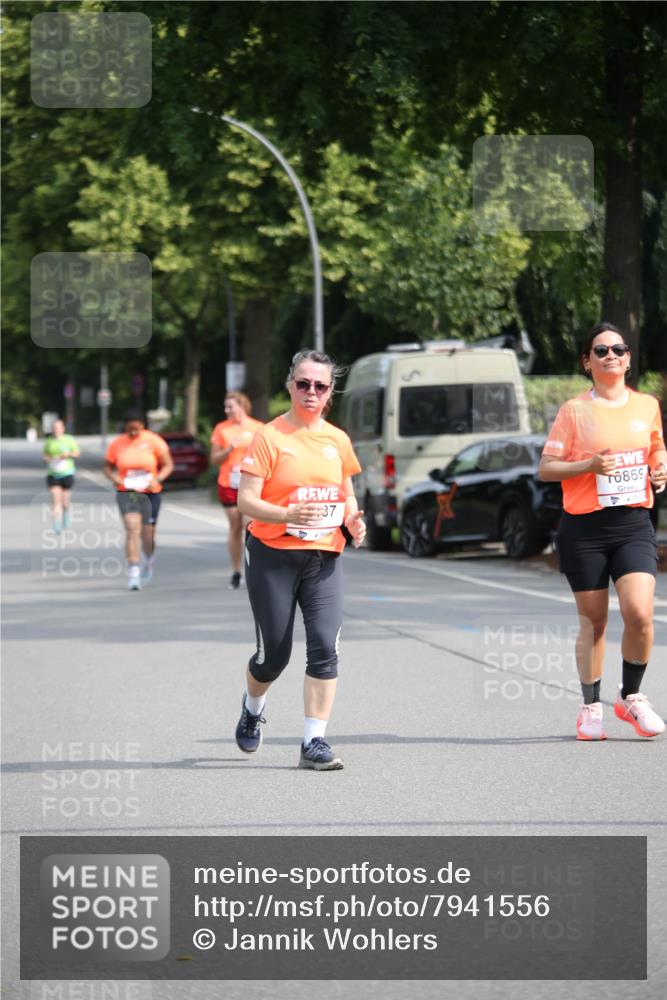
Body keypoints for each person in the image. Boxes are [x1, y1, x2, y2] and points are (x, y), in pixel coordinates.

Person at [235, 350, 366, 770]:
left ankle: (313, 741)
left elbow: (346, 494)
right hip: (272, 554)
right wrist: (286, 514)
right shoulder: (269, 437)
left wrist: (353, 521)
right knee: (273, 657)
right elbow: (246, 500)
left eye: (320, 385)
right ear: (290, 385)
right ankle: (253, 707)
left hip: (324, 556)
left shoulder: (337, 440)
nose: (312, 391)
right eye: (304, 383)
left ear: (330, 392)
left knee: (325, 646)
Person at [538, 322, 667, 740]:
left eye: (619, 349)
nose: (611, 355)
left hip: (633, 524)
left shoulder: (646, 405)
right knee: (594, 623)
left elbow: (656, 447)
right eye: (601, 350)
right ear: (587, 362)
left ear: (628, 359)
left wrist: (660, 468)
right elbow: (547, 469)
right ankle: (590, 707)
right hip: (585, 529)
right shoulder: (574, 411)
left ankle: (630, 697)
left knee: (640, 614)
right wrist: (589, 466)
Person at [103, 411, 174, 591]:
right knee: (132, 529)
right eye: (129, 429)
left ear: (142, 425)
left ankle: (148, 559)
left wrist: (157, 479)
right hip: (127, 491)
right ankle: (133, 572)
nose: (133, 433)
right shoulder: (117, 443)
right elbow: (107, 467)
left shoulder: (154, 441)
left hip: (150, 492)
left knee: (148, 535)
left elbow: (168, 465)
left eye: (136, 429)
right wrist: (114, 478)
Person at [210, 392, 263, 589]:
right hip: (228, 483)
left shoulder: (258, 427)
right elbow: (214, 460)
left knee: (250, 526)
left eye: (230, 406)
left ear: (242, 406)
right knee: (235, 527)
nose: (227, 410)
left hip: (250, 483)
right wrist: (229, 449)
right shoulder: (221, 429)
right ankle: (236, 571)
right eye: (225, 407)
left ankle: (254, 569)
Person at [42, 419, 80, 533]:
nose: (56, 430)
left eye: (58, 427)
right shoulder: (49, 441)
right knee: (56, 500)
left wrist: (68, 454)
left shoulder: (69, 439)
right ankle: (56, 523)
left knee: (65, 502)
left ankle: (66, 514)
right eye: (54, 428)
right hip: (53, 474)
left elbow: (77, 453)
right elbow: (45, 456)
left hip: (67, 474)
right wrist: (48, 459)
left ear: (63, 428)